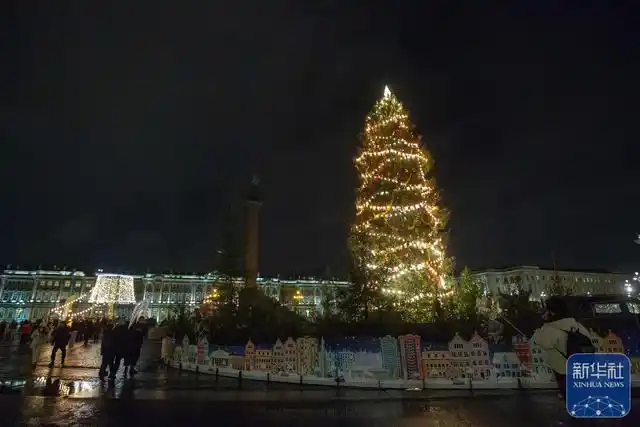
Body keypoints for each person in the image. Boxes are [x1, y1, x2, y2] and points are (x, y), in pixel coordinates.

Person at [533, 296, 593, 400]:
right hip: (580, 365)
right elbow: (588, 338)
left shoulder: (550, 328)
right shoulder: (575, 324)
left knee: (570, 395)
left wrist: (540, 324)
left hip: (562, 368)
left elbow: (538, 340)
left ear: (551, 312)